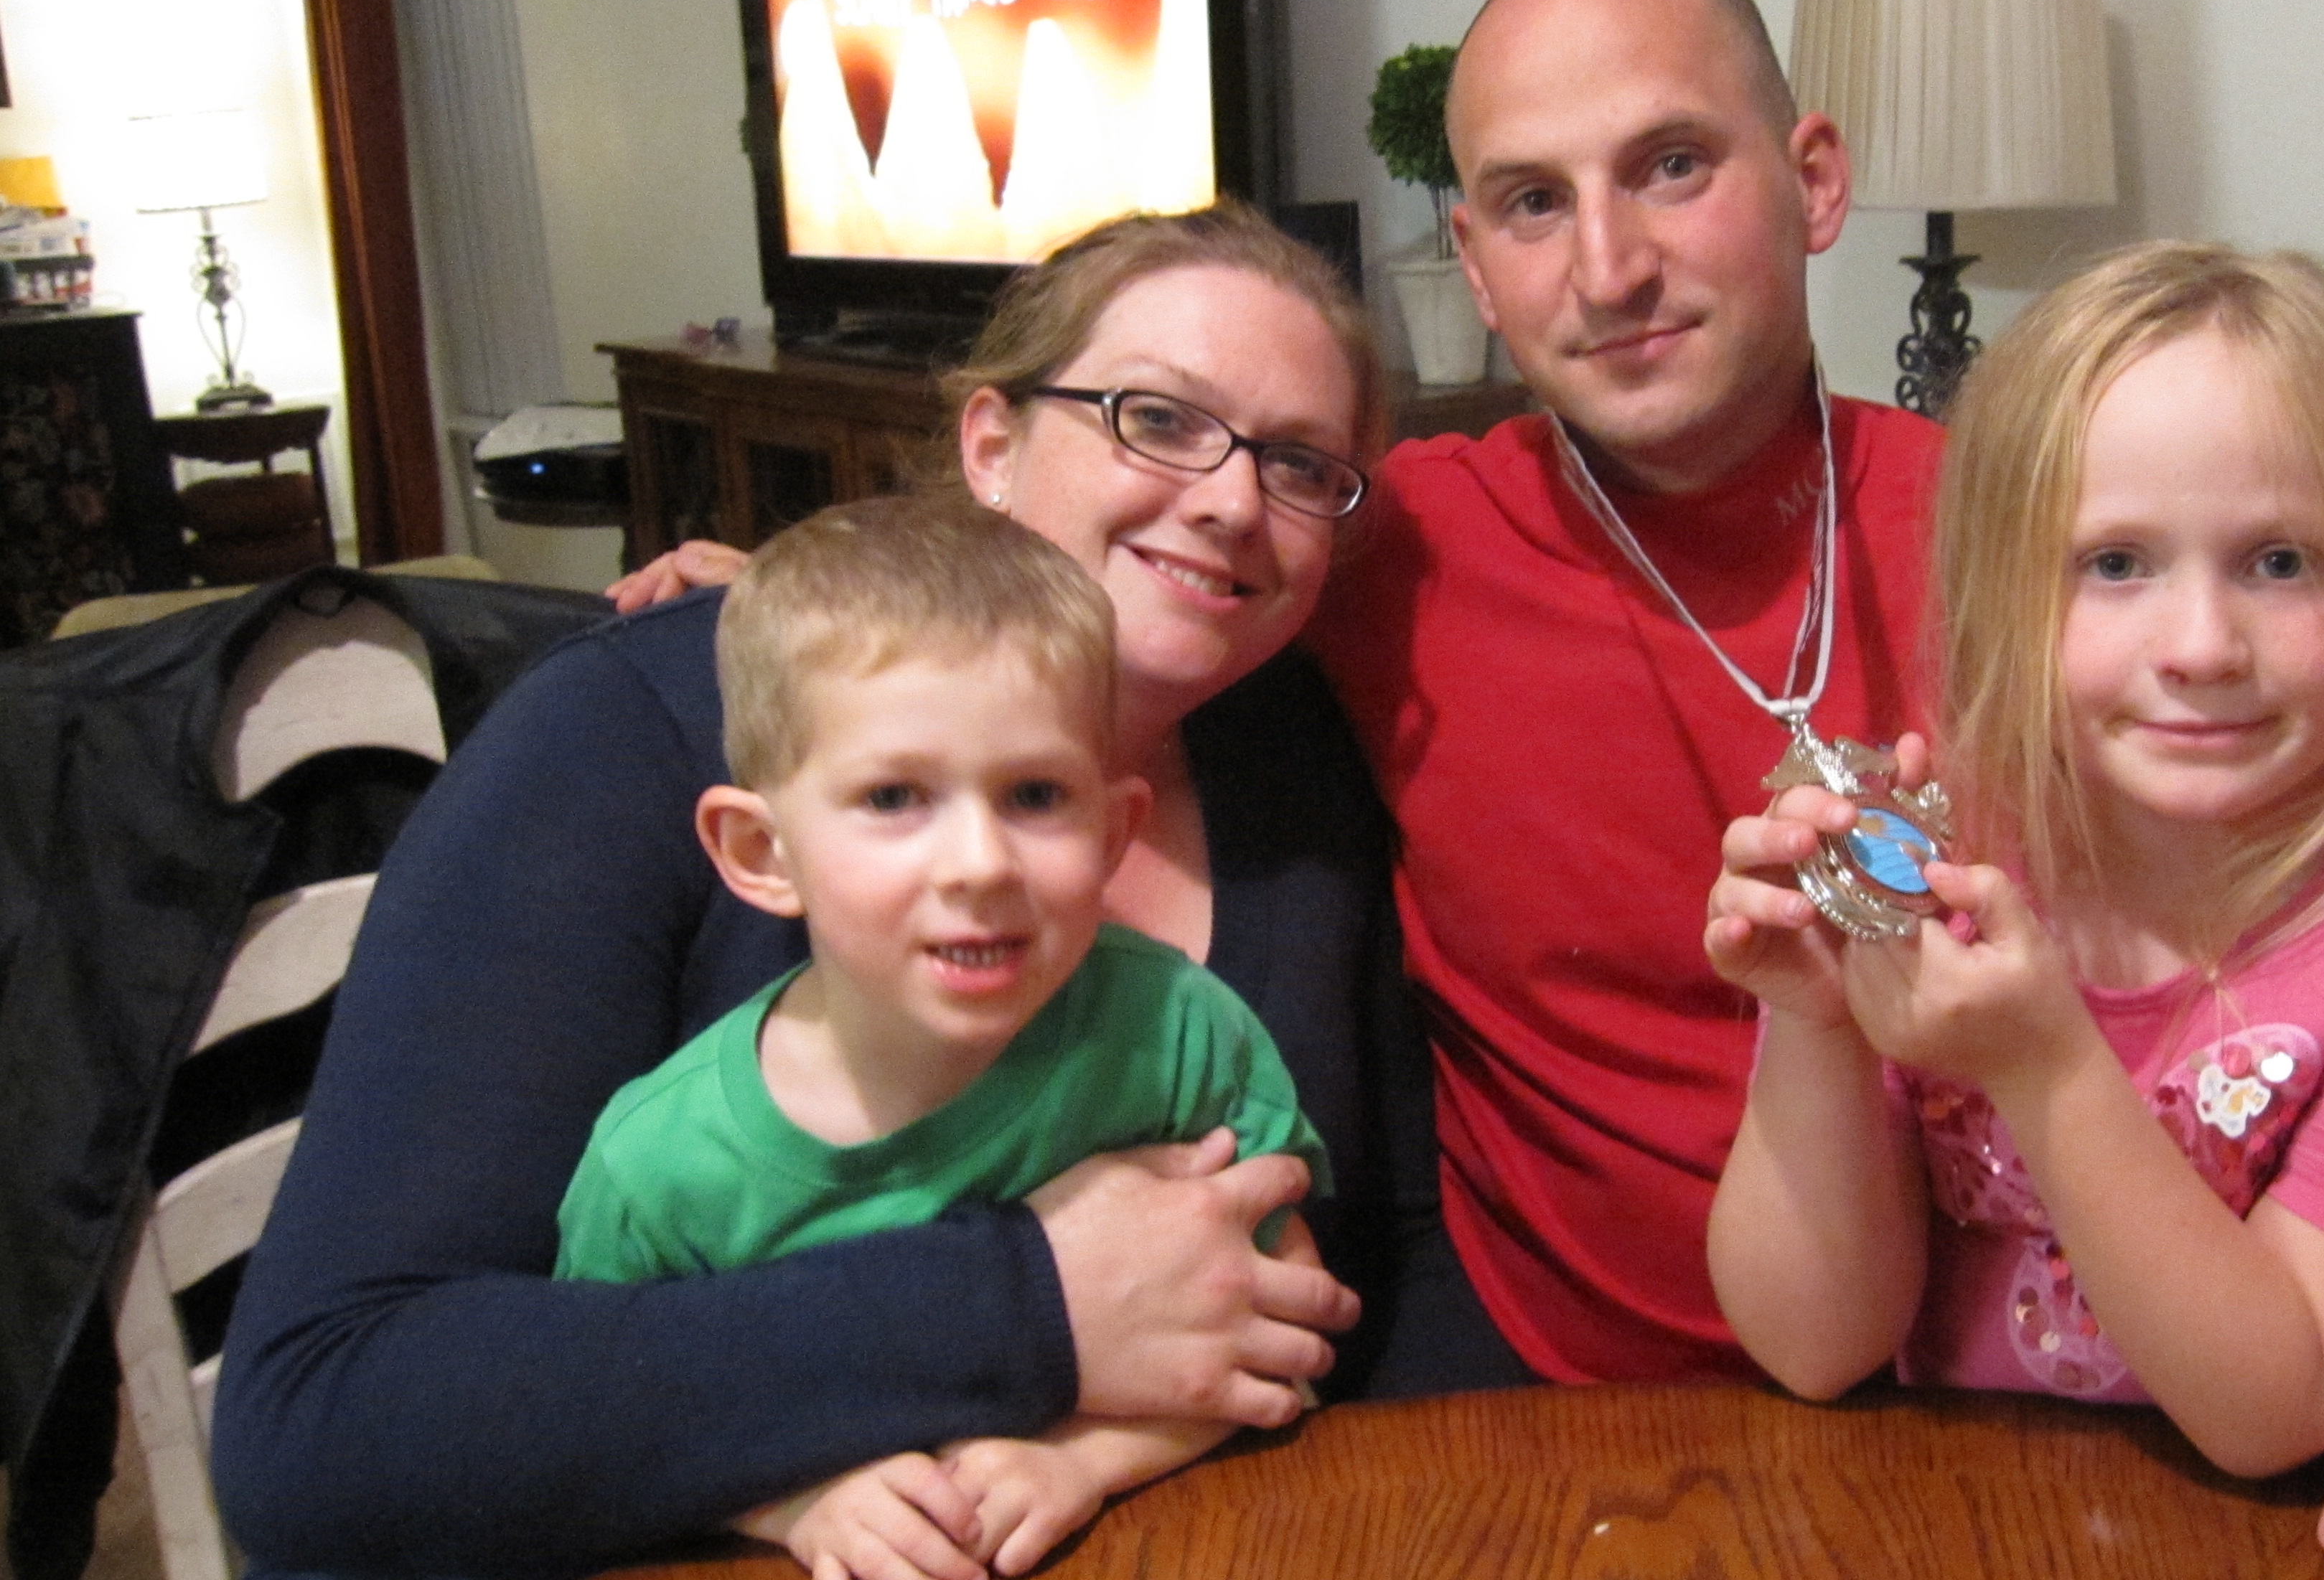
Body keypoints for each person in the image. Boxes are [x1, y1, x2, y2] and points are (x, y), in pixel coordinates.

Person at [1296, 0, 2324, 1578]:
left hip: (2085, 1435)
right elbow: (1079, 666)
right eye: (1534, 202)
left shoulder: (2069, 547)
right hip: (1574, 1403)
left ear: (1814, 181)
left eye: (1672, 165)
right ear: (1471, 258)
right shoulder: (1374, 554)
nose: (1610, 266)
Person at [212, 205, 1491, 1578]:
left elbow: (1385, 1254)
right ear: (991, 446)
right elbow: (323, 1425)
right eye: (1158, 419)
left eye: (1298, 464)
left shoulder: (1288, 756)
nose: (1233, 500)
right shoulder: (626, 737)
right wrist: (1038, 1305)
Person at [1704, 243, 2324, 1489]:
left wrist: (2044, 1064)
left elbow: (2281, 1404)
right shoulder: (1930, 848)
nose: (2203, 645)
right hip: (1938, 1509)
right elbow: (1812, 1347)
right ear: (2004, 597)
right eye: (2115, 564)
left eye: (2280, 562)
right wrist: (1816, 1026)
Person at [553, 497, 1334, 1580]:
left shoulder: (1179, 1034)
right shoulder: (655, 1170)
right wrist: (793, 1503)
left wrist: (1084, 1461)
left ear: (1114, 830)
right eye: (892, 796)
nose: (980, 864)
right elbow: (602, 1444)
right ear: (761, 851)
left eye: (1035, 795)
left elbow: (1284, 1330)